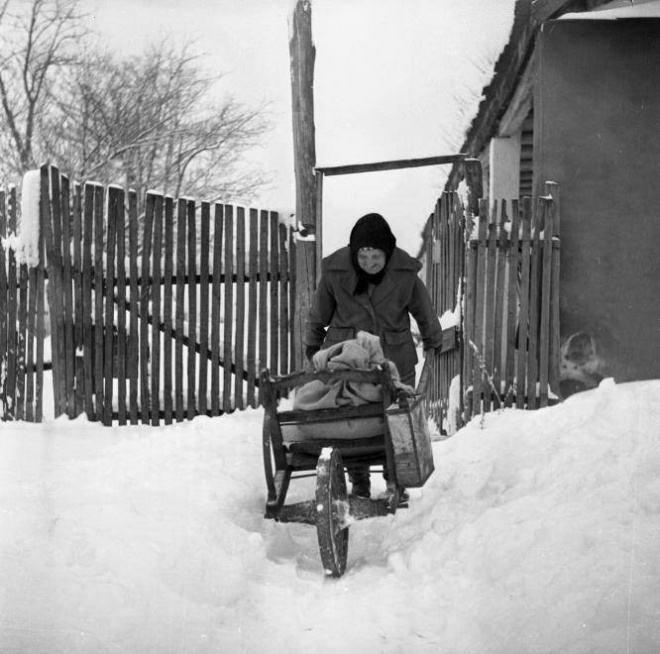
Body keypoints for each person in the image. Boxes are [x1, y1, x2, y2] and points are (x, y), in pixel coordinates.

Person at [304, 212, 443, 498]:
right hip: (348, 359)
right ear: (354, 252)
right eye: (362, 256)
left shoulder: (405, 275)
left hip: (394, 358)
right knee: (352, 421)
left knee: (395, 420)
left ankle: (395, 480)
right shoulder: (335, 273)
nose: (368, 263)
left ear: (388, 253)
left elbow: (424, 312)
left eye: (375, 256)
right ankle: (360, 482)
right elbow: (318, 316)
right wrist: (312, 346)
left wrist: (434, 340)